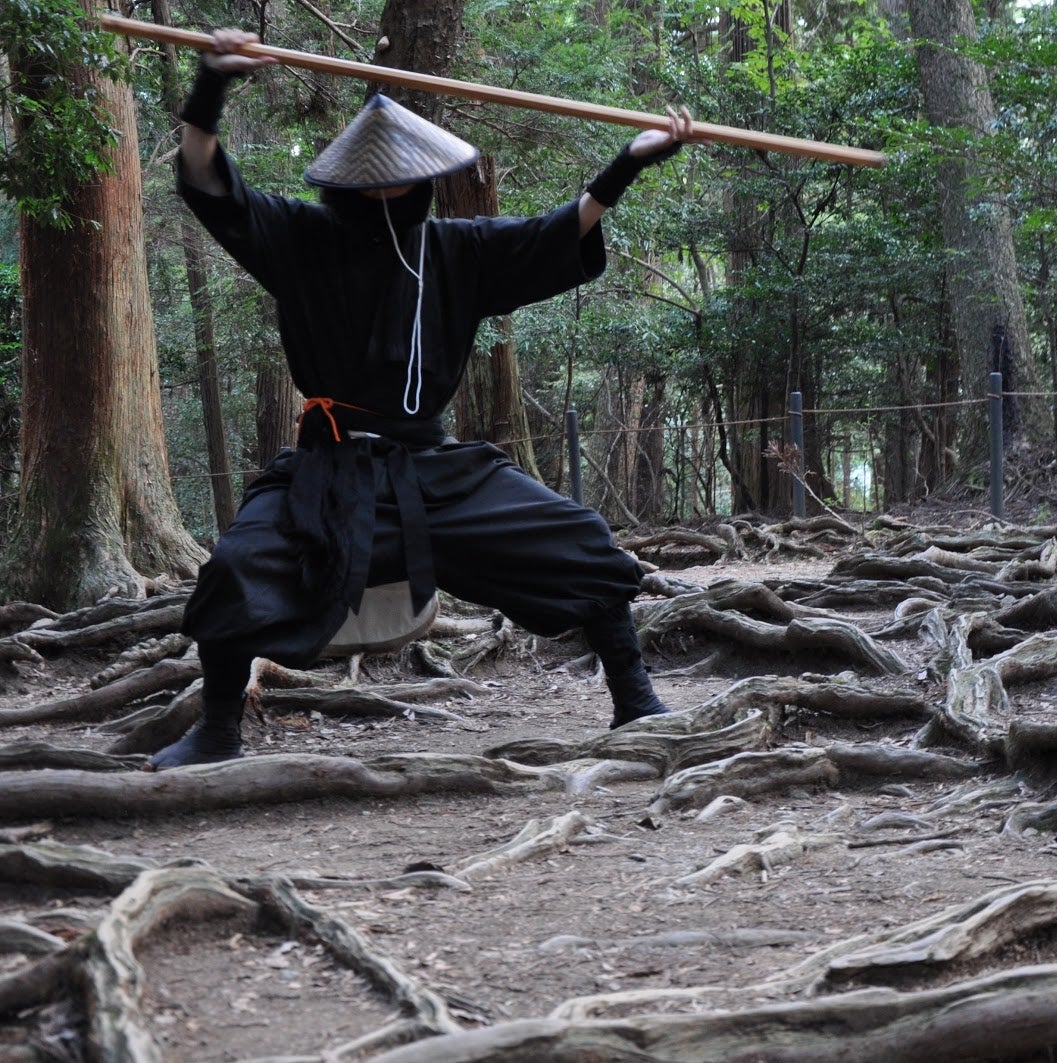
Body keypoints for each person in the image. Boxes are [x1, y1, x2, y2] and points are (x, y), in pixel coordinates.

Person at [150, 30, 690, 768]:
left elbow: (558, 232)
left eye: (396, 178)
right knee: (234, 568)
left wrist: (627, 163)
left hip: (432, 470)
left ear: (422, 178)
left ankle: (634, 700)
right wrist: (210, 85)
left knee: (580, 541)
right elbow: (210, 182)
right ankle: (217, 728)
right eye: (369, 180)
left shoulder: (458, 249)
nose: (384, 190)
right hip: (329, 465)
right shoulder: (299, 236)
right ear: (343, 184)